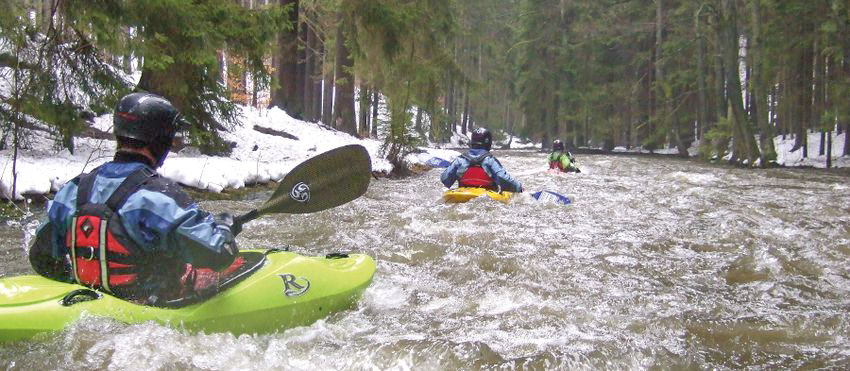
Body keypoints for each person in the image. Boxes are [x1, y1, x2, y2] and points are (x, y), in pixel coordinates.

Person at [29, 92, 241, 306]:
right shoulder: (159, 196)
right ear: (160, 140)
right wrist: (223, 228)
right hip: (152, 316)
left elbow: (41, 258)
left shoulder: (73, 189)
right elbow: (219, 253)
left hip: (89, 307)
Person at [441, 127, 523, 192]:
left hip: (463, 193)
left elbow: (444, 178)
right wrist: (519, 188)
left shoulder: (460, 160)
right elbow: (503, 178)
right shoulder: (490, 160)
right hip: (487, 195)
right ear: (488, 143)